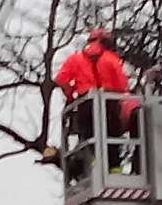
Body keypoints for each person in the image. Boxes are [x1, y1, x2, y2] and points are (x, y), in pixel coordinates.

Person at [53, 29, 142, 177]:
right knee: (111, 142)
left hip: (85, 105)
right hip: (109, 105)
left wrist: (71, 96)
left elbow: (61, 80)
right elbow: (122, 86)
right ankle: (113, 173)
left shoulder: (75, 59)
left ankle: (91, 170)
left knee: (90, 141)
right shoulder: (111, 59)